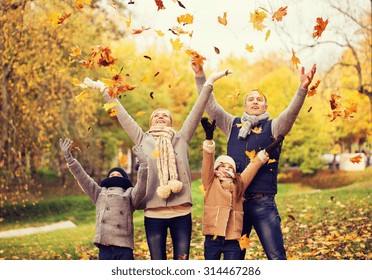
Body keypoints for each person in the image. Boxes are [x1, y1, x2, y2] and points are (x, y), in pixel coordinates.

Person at [83, 69, 232, 260]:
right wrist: (104, 90)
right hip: (153, 214)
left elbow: (197, 108)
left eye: (165, 115)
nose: (161, 116)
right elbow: (121, 114)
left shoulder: (181, 137)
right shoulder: (141, 139)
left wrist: (209, 81)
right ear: (150, 122)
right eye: (156, 115)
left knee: (182, 261)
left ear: (171, 122)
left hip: (182, 212)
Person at [192, 61, 317, 260]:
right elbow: (211, 106)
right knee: (235, 259)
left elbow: (291, 114)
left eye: (259, 99)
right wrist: (200, 75)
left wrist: (302, 89)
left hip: (263, 203)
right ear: (245, 105)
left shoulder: (274, 127)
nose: (255, 102)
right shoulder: (232, 124)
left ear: (266, 106)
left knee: (276, 257)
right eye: (251, 99)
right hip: (235, 203)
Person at [59, 138, 148, 260]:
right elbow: (82, 177)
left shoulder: (130, 193)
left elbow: (142, 186)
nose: (115, 176)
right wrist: (68, 157)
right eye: (112, 175)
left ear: (125, 179)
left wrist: (144, 164)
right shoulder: (99, 192)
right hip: (104, 247)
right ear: (107, 178)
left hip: (124, 246)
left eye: (119, 175)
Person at [200, 117, 269, 260]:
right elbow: (207, 161)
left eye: (230, 167)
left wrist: (265, 153)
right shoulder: (211, 182)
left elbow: (253, 166)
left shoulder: (239, 183)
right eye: (222, 166)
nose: (226, 168)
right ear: (216, 168)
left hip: (233, 237)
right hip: (213, 236)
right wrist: (209, 140)